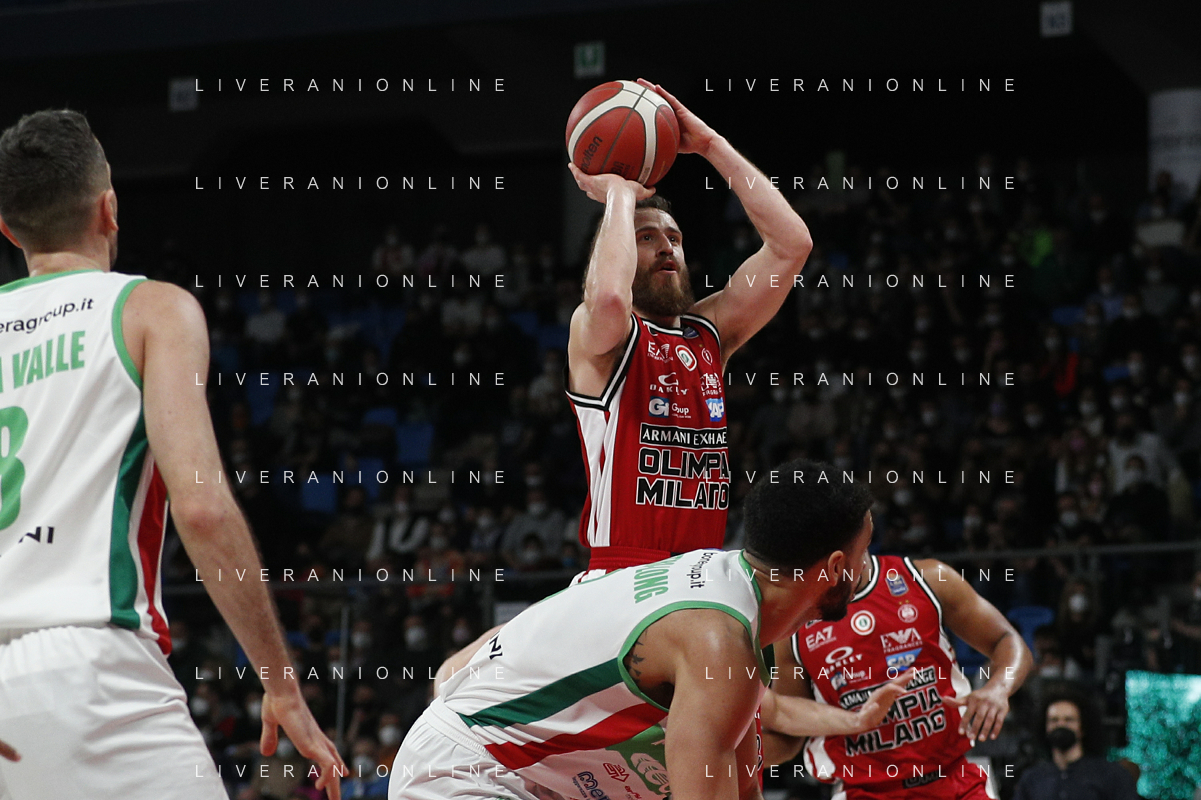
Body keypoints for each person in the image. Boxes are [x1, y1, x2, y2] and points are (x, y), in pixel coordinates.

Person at [0, 110, 345, 798]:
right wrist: (281, 685)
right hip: (94, 667)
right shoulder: (152, 309)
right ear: (109, 208)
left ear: (8, 229)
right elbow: (203, 509)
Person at [390, 459, 872, 800]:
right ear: (835, 567)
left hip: (505, 762)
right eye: (864, 552)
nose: (867, 565)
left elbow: (744, 788)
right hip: (469, 771)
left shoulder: (731, 603)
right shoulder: (718, 641)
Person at [566, 79, 813, 574]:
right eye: (646, 237)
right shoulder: (601, 336)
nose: (666, 247)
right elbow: (610, 297)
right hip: (621, 572)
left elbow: (792, 246)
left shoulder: (709, 334)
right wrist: (619, 193)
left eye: (675, 239)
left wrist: (711, 146)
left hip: (701, 571)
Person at [764, 551, 1032, 799]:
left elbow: (1007, 640)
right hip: (863, 791)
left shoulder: (928, 578)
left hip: (954, 780)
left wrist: (998, 687)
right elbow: (788, 731)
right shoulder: (794, 623)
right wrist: (742, 752)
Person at [1012, 690, 1139, 800]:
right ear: (1045, 727)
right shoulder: (1032, 779)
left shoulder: (1111, 775)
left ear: (1082, 728)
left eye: (1069, 720)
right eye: (1054, 720)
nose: (1061, 725)